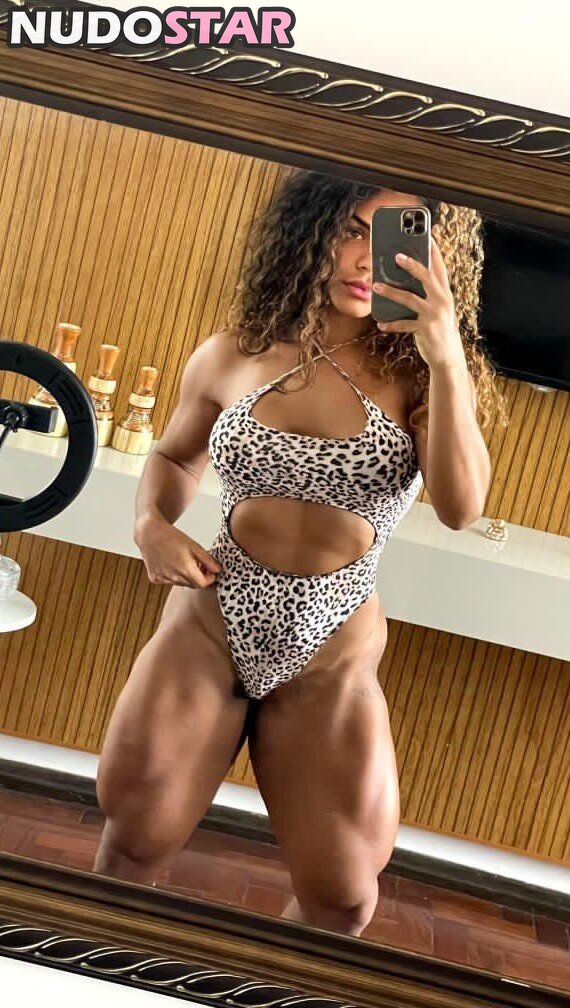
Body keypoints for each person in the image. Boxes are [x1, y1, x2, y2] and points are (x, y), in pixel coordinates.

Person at [93, 171, 501, 937]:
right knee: (134, 839)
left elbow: (461, 507)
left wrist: (446, 357)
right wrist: (152, 523)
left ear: (430, 257)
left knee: (342, 897)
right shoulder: (233, 353)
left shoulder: (420, 379)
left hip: (332, 649)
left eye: (391, 242)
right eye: (349, 231)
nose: (365, 260)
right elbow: (175, 457)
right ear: (308, 233)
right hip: (211, 622)